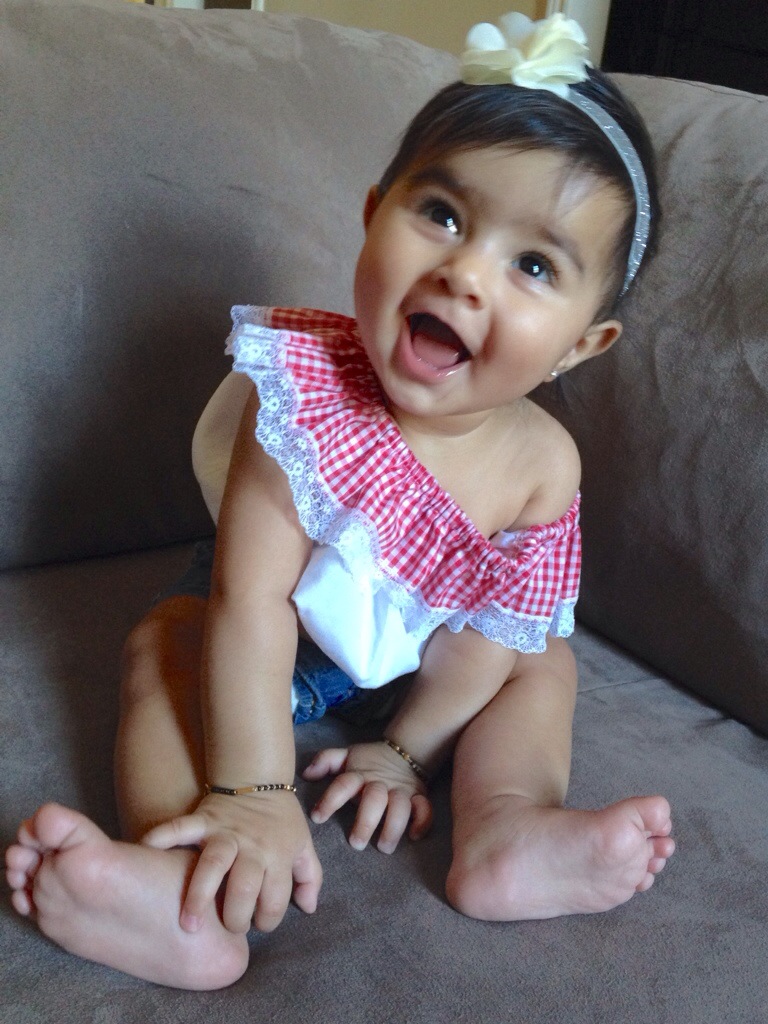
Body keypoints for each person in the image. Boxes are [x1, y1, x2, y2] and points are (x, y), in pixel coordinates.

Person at [6, 13, 675, 991]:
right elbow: (249, 599)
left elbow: (488, 638)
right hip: (274, 636)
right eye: (441, 213)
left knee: (543, 664)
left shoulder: (544, 467)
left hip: (429, 662)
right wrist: (253, 789)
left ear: (582, 345)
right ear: (373, 212)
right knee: (164, 643)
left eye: (533, 266)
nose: (463, 272)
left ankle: (504, 825)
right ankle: (180, 885)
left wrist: (405, 751)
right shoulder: (304, 395)